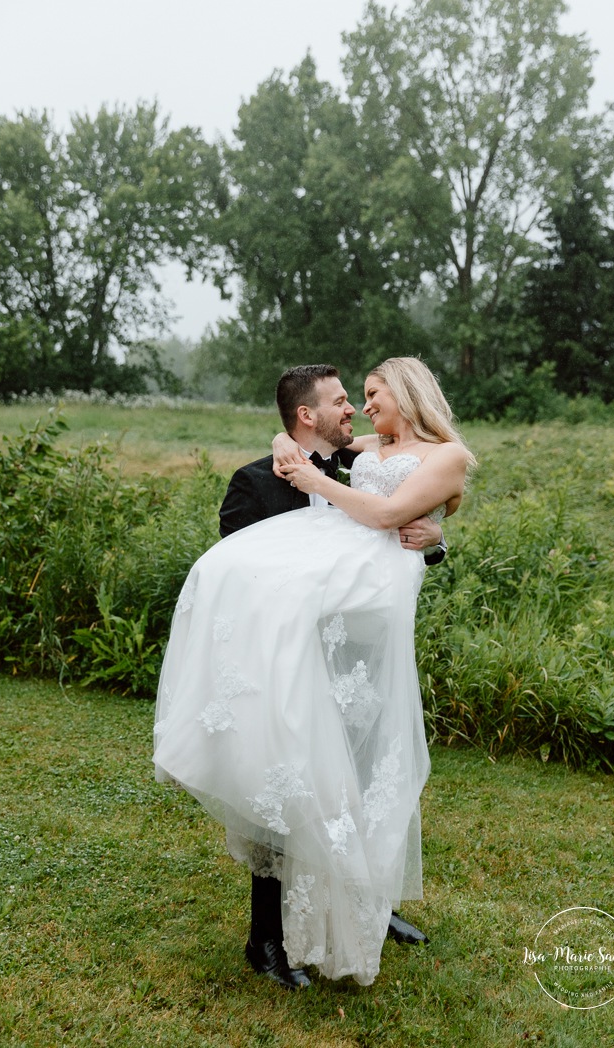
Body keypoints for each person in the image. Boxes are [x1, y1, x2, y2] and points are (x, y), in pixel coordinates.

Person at [154, 357, 472, 989]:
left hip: (360, 657)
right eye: (342, 400)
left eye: (365, 396)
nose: (354, 407)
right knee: (287, 788)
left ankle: (369, 911)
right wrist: (284, 453)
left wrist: (434, 538)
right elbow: (244, 580)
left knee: (362, 778)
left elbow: (400, 522)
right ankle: (265, 939)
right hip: (286, 668)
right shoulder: (254, 483)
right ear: (308, 415)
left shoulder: (362, 460)